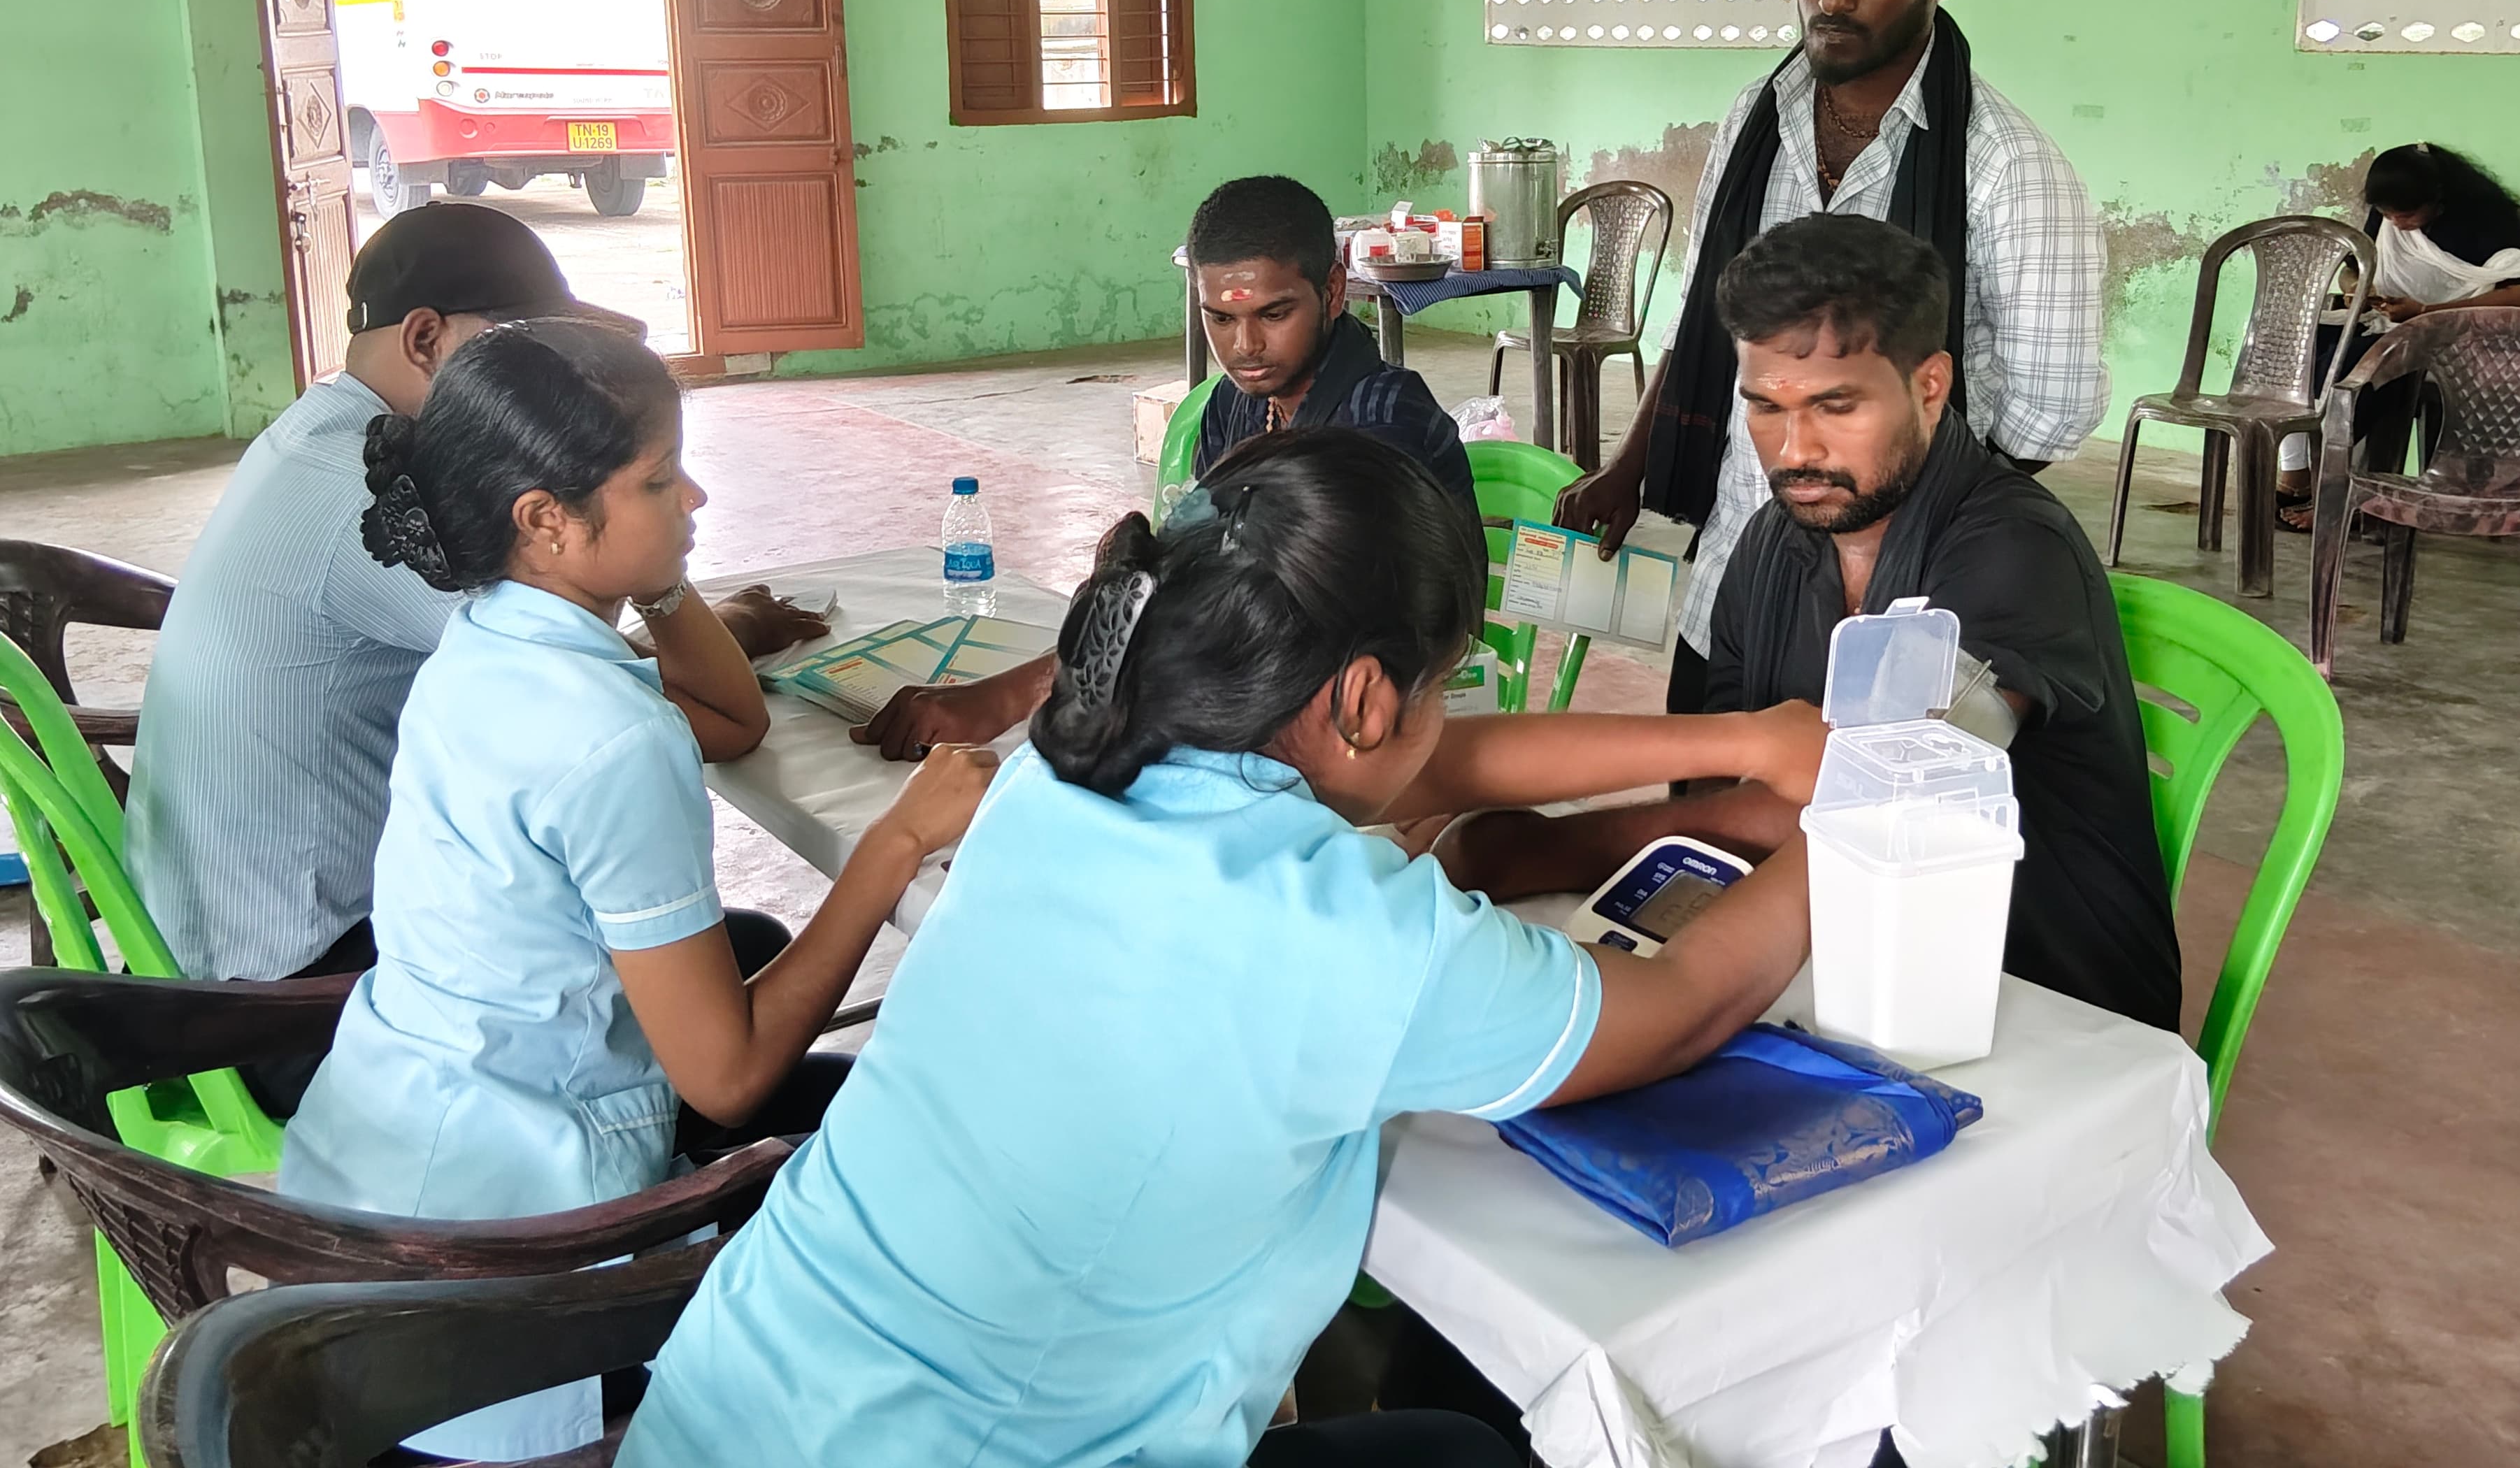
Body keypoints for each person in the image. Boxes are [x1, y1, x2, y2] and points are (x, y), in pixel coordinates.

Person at [619, 429, 1830, 1468]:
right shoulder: (1341, 931)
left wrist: (1755, 740)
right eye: (1442, 685)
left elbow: (1435, 763)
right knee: (1466, 1445)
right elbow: (1681, 1005)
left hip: (736, 1400)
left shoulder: (1066, 760)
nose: (1446, 716)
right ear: (1362, 700)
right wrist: (1861, 827)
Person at [278, 317, 995, 1462]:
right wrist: (899, 841)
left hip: (400, 1173)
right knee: (929, 1171)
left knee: (845, 1089)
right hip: (508, 1286)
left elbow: (730, 716)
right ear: (545, 521)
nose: (698, 495)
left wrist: (657, 570)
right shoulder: (607, 738)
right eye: (661, 480)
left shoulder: (488, 642)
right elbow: (726, 1074)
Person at [1451, 215, 2182, 1034]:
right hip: (1845, 953)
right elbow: (1733, 797)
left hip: (2036, 1002)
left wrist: (1540, 850)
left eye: (1838, 406)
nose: (1796, 450)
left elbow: (1876, 805)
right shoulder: (1773, 542)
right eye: (1764, 407)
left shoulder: (2012, 551)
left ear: (1930, 387)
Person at [126, 203, 821, 1019]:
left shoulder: (329, 438)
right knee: (741, 968)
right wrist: (673, 590)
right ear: (426, 341)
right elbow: (698, 715)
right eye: (515, 356)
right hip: (289, 981)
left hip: (226, 930)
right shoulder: (381, 503)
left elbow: (553, 653)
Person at [1554, 0, 2108, 716]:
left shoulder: (2007, 169)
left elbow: (2047, 418)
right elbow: (1707, 318)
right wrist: (1632, 466)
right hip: (1730, 582)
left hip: (1887, 613)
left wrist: (1887, 516)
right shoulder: (1755, 121)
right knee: (1704, 834)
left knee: (1825, 842)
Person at [855, 173, 1480, 759]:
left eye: (1274, 313)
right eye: (1221, 317)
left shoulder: (1383, 418)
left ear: (1334, 291)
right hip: (1268, 677)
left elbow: (1306, 618)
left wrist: (1017, 695)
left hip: (1377, 714)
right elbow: (1192, 575)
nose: (1245, 346)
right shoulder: (1234, 408)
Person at [2276, 141, 2520, 517]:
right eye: (2386, 213)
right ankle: (2297, 473)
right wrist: (2360, 289)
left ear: (2438, 199)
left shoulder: (2481, 223)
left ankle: (2342, 493)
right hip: (2388, 322)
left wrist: (2428, 311)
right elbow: (2355, 269)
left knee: (2357, 367)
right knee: (2299, 344)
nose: (2394, 224)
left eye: (2405, 214)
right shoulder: (2387, 219)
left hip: (2453, 337)